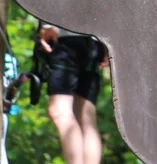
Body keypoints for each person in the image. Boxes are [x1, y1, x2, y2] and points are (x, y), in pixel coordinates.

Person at [37, 21, 107, 164]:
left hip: (65, 35)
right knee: (85, 115)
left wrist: (46, 23)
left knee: (59, 111)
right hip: (95, 42)